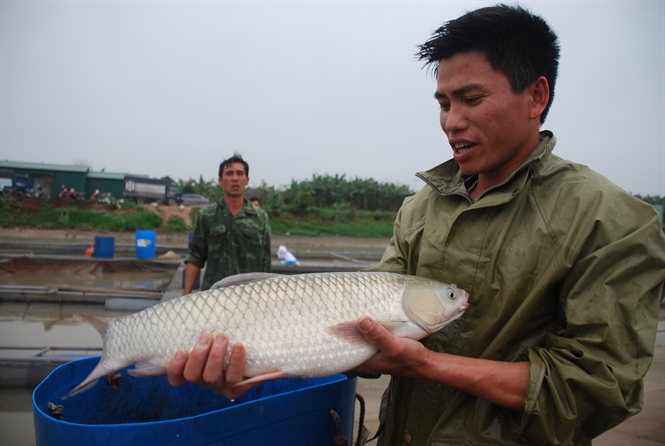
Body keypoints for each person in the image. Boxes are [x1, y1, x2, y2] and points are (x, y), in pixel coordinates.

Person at [167, 5, 665, 445]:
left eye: (470, 99)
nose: (451, 121)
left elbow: (600, 390)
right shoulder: (420, 208)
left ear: (536, 97)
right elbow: (366, 340)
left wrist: (428, 366)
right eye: (444, 104)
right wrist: (252, 365)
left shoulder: (611, 221)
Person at [183, 154, 272, 294]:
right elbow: (195, 258)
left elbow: (265, 264)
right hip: (213, 297)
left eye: (240, 173)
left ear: (246, 180)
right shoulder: (207, 215)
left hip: (250, 297)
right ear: (220, 181)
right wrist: (185, 296)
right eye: (229, 173)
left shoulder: (260, 218)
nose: (235, 178)